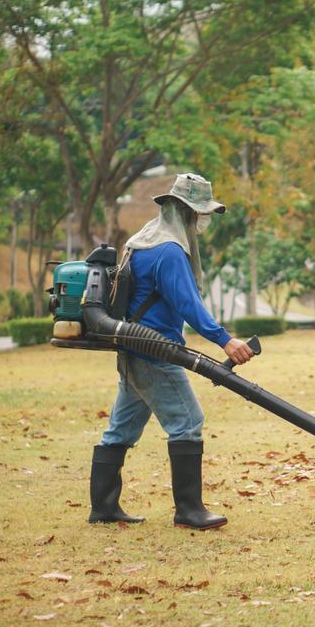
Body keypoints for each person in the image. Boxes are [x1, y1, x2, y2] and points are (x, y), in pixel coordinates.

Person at [87, 173, 254, 530]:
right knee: (188, 422)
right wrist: (225, 339)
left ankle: (103, 507)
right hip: (157, 353)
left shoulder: (140, 242)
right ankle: (189, 511)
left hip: (131, 350)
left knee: (120, 431)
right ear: (185, 211)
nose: (200, 221)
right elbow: (187, 303)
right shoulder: (168, 251)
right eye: (199, 213)